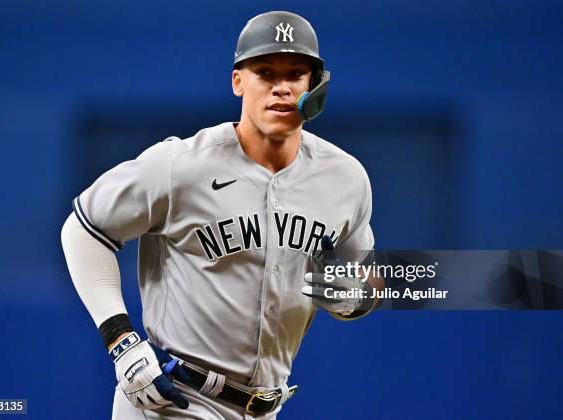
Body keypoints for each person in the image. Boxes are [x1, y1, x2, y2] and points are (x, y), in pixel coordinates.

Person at [61, 10, 382, 420]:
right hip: (173, 399)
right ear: (238, 82)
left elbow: (367, 276)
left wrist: (352, 298)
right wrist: (121, 341)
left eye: (296, 74)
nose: (281, 88)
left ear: (314, 85)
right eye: (265, 72)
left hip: (265, 407)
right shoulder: (181, 165)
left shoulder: (345, 177)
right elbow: (84, 229)